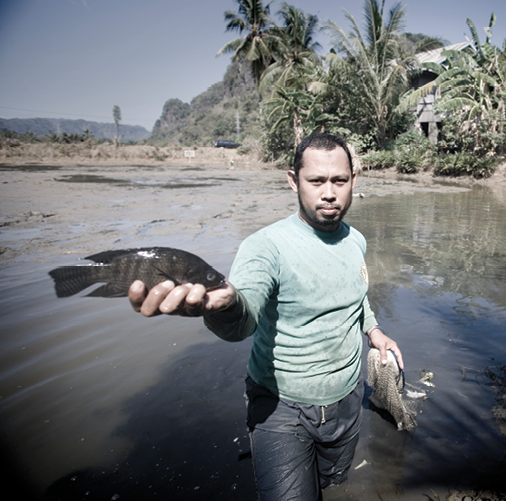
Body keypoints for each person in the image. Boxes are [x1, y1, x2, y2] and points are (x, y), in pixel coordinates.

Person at [128, 132, 404, 500]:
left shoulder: (356, 240)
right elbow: (242, 320)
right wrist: (223, 307)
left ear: (353, 180)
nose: (329, 193)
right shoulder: (265, 247)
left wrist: (374, 331)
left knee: (333, 482)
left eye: (339, 180)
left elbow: (357, 297)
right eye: (316, 181)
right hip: (281, 408)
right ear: (293, 181)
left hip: (348, 397)